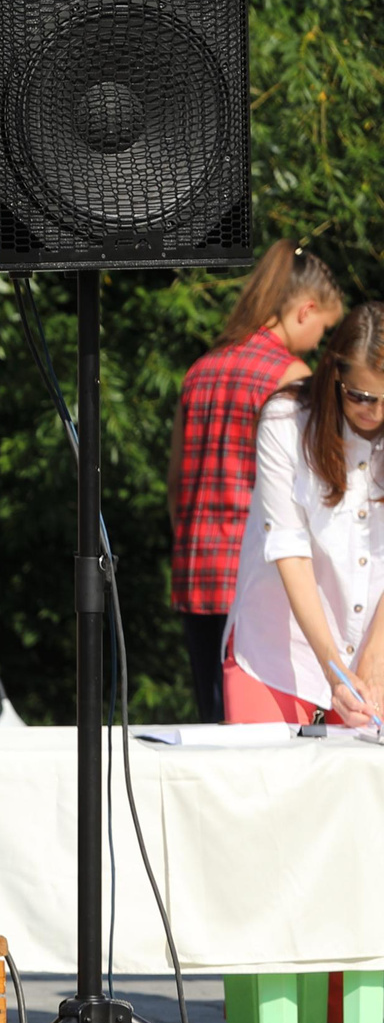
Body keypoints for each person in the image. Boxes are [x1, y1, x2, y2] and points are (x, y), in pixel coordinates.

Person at [168, 240, 342, 721]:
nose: (321, 341)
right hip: (259, 585)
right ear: (305, 310)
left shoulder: (200, 371)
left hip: (196, 575)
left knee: (213, 730)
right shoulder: (291, 376)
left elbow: (176, 485)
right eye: (324, 328)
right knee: (265, 750)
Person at [224, 300, 384, 728]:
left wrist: (371, 662)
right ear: (335, 374)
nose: (376, 414)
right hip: (279, 650)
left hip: (373, 651)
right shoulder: (286, 420)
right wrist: (335, 668)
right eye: (362, 397)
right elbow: (289, 549)